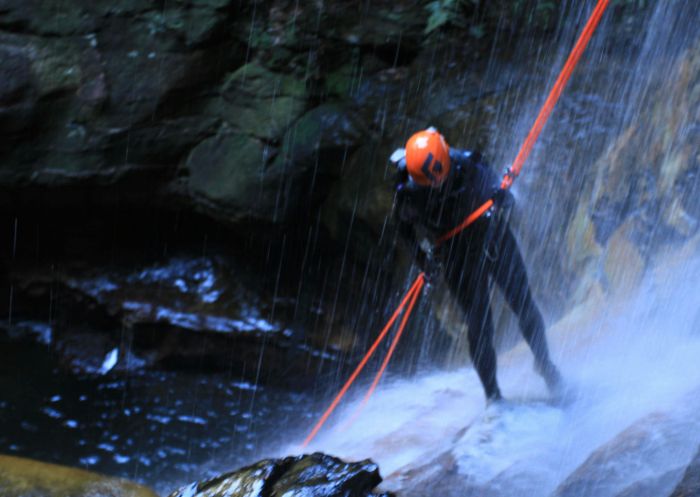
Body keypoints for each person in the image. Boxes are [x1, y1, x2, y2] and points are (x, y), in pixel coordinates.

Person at [390, 127, 562, 403]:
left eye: (443, 175)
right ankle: (493, 397)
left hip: (492, 236)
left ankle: (546, 366)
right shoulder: (408, 194)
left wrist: (505, 199)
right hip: (456, 255)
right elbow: (403, 230)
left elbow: (500, 191)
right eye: (434, 181)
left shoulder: (467, 164)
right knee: (480, 326)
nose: (440, 182)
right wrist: (424, 261)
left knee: (524, 303)